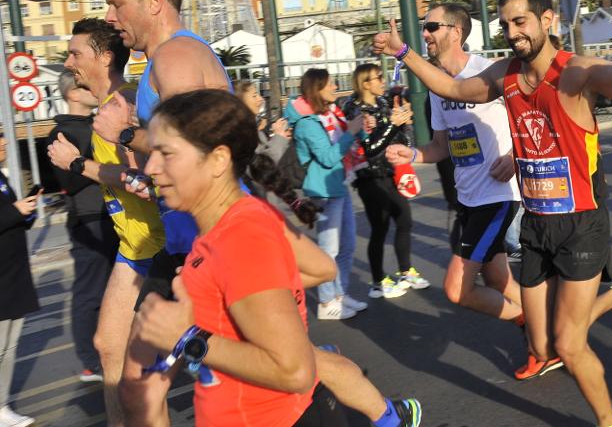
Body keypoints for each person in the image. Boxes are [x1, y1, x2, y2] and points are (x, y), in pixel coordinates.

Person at [372, 0, 612, 427]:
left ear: (547, 20)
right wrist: (404, 52)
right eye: (505, 24)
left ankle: (609, 420)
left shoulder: (576, 72)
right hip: (537, 226)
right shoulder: (506, 76)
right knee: (543, 347)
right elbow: (452, 88)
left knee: (570, 344)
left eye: (521, 21)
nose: (513, 32)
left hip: (580, 223)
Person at [135, 89, 423, 427]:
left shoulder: (239, 236)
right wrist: (243, 296)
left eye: (165, 152)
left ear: (217, 160)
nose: (151, 167)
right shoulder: (232, 222)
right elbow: (320, 268)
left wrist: (187, 338)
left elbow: (294, 371)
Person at [92, 0, 233, 426]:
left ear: (154, 2)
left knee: (143, 382)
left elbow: (194, 139)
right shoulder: (164, 60)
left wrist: (124, 135)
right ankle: (374, 409)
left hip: (209, 241)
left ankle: (371, 407)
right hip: (191, 239)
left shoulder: (174, 55)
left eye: (117, 5)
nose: (111, 18)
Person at [384, 4, 527, 365]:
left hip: (497, 195)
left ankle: (543, 327)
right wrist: (410, 155)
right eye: (423, 27)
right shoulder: (436, 86)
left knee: (456, 290)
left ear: (456, 32)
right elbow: (441, 147)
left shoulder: (488, 73)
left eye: (432, 26)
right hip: (469, 198)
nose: (426, 33)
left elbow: (532, 120)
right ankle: (548, 323)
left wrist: (516, 157)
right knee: (498, 279)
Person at [46, 17, 165, 425]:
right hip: (131, 249)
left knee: (158, 371)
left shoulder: (126, 107)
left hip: (161, 248)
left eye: (76, 53)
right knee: (108, 345)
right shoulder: (104, 110)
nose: (69, 62)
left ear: (105, 57)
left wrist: (79, 164)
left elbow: (148, 181)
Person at [46, 70, 118, 384]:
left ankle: (114, 349)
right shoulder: (62, 132)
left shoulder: (96, 124)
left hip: (116, 217)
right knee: (90, 293)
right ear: (72, 94)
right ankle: (90, 362)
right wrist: (88, 160)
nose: (91, 88)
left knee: (116, 291)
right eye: (83, 85)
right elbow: (68, 181)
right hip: (90, 220)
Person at [283, 69, 367, 320]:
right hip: (321, 192)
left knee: (347, 246)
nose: (334, 87)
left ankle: (340, 295)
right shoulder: (308, 124)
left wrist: (359, 129)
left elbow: (347, 145)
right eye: (329, 84)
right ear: (316, 89)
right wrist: (351, 132)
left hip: (337, 188)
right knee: (328, 250)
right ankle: (326, 300)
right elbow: (328, 158)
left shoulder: (329, 114)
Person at [343, 64, 428, 299]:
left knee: (404, 219)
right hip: (368, 175)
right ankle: (378, 280)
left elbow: (401, 137)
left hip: (391, 170)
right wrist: (392, 124)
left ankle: (405, 271)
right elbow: (370, 148)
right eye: (377, 78)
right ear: (365, 83)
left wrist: (405, 123)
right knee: (379, 226)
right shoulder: (353, 108)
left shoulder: (383, 102)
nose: (383, 81)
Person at [0, 134, 41, 427]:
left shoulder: (1, 179)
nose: (4, 144)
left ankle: (2, 404)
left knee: (9, 347)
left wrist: (26, 211)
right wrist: (15, 211)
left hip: (13, 272)